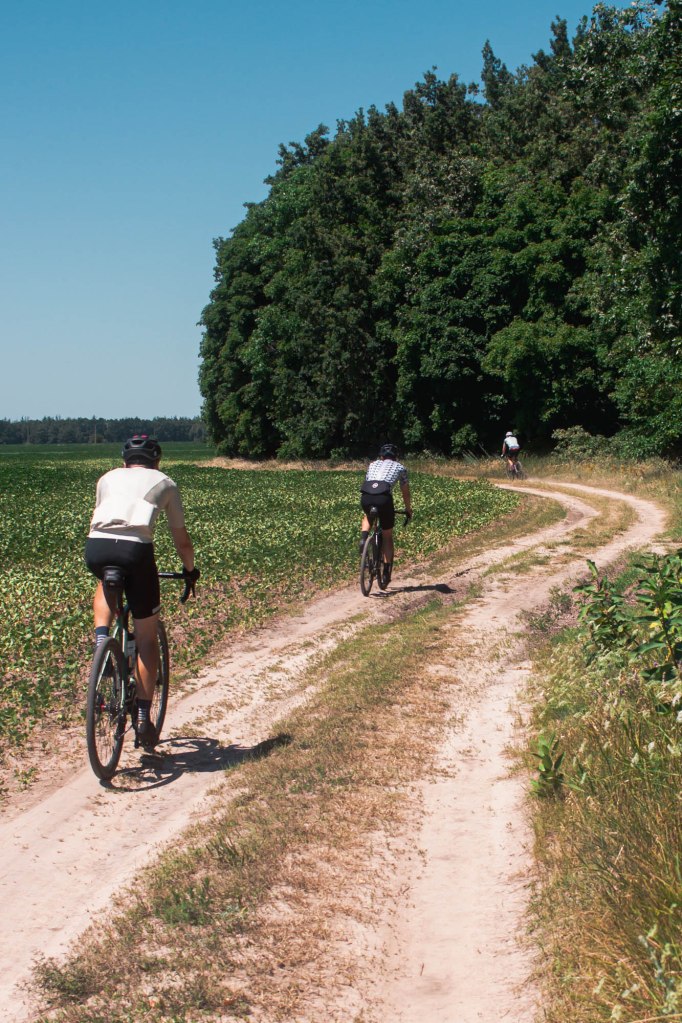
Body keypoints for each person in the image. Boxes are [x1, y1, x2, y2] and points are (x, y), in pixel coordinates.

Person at [84, 435, 199, 749]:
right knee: (147, 638)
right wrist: (190, 570)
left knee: (105, 581)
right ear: (157, 462)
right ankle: (143, 718)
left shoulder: (106, 478)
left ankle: (101, 640)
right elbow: (182, 541)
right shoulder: (166, 483)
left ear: (124, 462)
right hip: (135, 552)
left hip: (96, 547)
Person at [359, 443, 413, 584]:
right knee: (387, 536)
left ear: (381, 456)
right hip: (383, 499)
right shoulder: (400, 468)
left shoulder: (372, 464)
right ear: (396, 456)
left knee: (368, 516)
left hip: (366, 497)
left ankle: (363, 539)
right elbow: (405, 492)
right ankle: (386, 573)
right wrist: (408, 509)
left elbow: (368, 481)